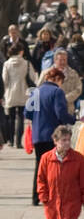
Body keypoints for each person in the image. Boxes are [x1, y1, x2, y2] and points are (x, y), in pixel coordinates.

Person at [36, 124, 84, 219]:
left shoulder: (78, 159)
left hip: (72, 201)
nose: (66, 143)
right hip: (53, 202)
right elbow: (41, 179)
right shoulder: (46, 158)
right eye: (63, 140)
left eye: (68, 140)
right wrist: (43, 196)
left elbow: (83, 181)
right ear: (55, 141)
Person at [29, 68, 74, 206]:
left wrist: (38, 119)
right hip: (53, 135)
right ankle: (53, 194)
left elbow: (27, 113)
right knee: (55, 165)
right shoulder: (57, 92)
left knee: (40, 165)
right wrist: (72, 119)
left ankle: (36, 196)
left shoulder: (36, 92)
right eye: (61, 81)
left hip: (38, 134)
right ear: (57, 79)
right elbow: (60, 112)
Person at [2, 40, 34, 148]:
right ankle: (18, 142)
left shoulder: (6, 64)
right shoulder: (26, 63)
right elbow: (33, 78)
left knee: (11, 118)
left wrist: (6, 90)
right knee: (21, 117)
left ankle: (11, 140)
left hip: (10, 92)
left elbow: (4, 80)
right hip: (23, 92)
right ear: (21, 51)